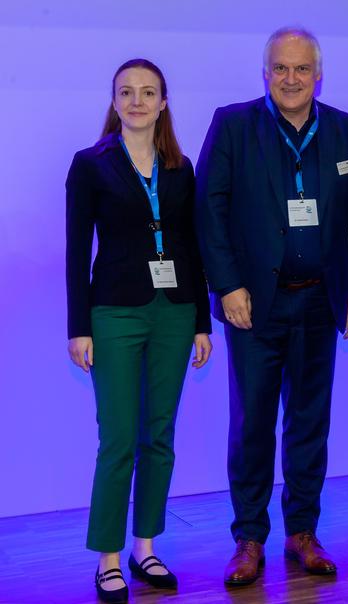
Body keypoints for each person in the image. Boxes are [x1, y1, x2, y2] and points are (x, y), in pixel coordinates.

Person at [195, 27, 348, 584]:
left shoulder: (347, 130)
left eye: (301, 69)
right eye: (281, 68)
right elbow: (210, 210)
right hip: (254, 307)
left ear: (317, 74)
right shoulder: (233, 125)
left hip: (320, 303)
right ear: (266, 73)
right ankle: (249, 537)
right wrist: (226, 287)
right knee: (252, 424)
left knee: (309, 423)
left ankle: (303, 530)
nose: (291, 78)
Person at [66, 58, 212, 603]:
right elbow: (77, 251)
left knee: (160, 435)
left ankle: (144, 547)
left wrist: (201, 321)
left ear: (163, 102)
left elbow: (192, 249)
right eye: (126, 92)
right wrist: (78, 327)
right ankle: (107, 557)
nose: (136, 102)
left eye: (148, 93)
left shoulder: (181, 166)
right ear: (114, 100)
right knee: (119, 438)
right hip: (114, 313)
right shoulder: (90, 164)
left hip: (174, 312)